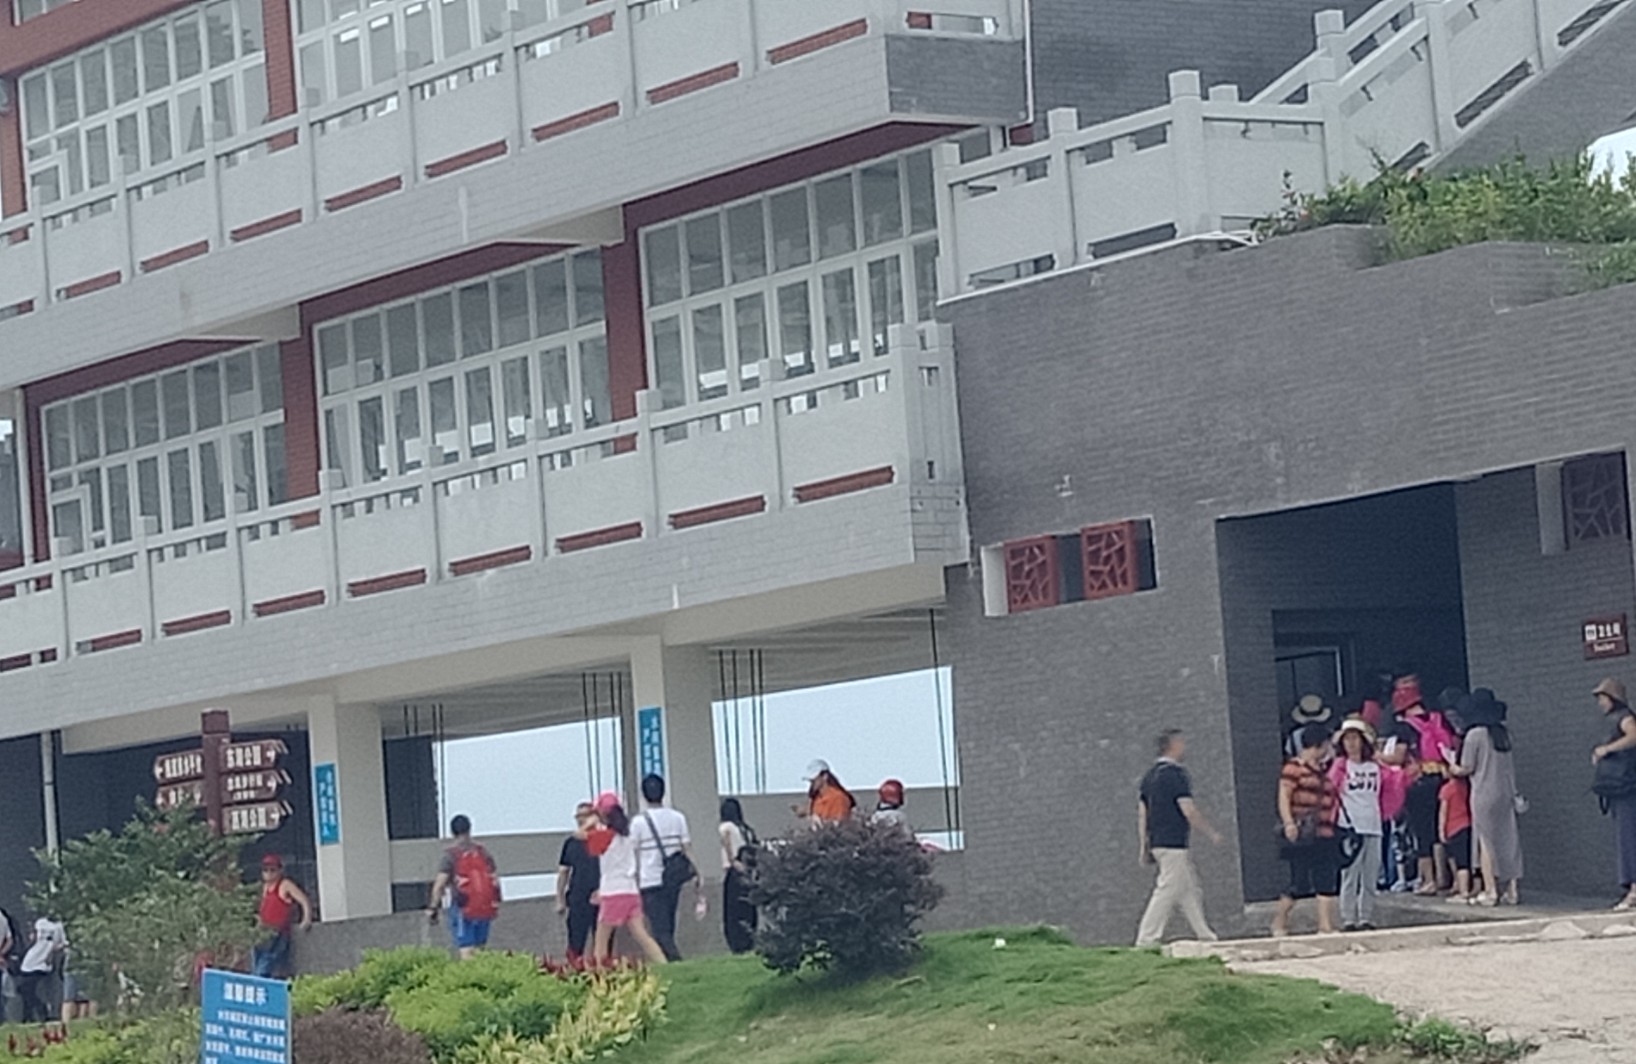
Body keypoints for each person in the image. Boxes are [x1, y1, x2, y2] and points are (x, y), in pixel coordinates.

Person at [1134, 729, 1222, 947]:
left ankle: (1204, 933)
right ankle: (1147, 938)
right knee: (1167, 888)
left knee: (1188, 889)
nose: (1184, 747)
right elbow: (1188, 809)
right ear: (1173, 745)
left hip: (1157, 841)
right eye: (1182, 743)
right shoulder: (1176, 775)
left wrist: (1144, 845)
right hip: (1173, 841)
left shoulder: (1149, 777)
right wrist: (1210, 832)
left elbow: (1143, 813)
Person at [1450, 688, 1523, 906]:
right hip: (1506, 793)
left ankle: (1490, 890)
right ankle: (1512, 890)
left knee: (1486, 841)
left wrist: (1452, 767)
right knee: (1509, 839)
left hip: (1483, 793)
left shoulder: (1475, 735)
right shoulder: (1504, 734)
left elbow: (1466, 768)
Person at [1328, 720, 1400, 931]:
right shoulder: (1341, 766)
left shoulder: (1375, 767)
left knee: (1370, 875)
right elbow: (1330, 790)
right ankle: (1348, 919)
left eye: (1355, 738)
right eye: (1347, 739)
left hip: (1373, 825)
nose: (1351, 743)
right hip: (1350, 827)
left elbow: (1393, 784)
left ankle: (1365, 917)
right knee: (1350, 874)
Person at [1273, 723, 1341, 937]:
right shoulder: (1294, 768)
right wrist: (1289, 823)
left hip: (1324, 831)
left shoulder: (1324, 770)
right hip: (1303, 831)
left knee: (1325, 878)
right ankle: (1280, 921)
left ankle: (1325, 925)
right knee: (1299, 881)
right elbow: (1284, 796)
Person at [1394, 674, 1459, 895]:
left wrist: (1377, 755)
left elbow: (1398, 756)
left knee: (1423, 833)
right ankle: (1445, 878)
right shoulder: (1438, 718)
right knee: (1442, 830)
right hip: (1444, 779)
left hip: (1419, 782)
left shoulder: (1404, 727)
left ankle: (1428, 880)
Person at [589, 792, 668, 966]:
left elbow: (580, 835)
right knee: (642, 935)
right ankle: (663, 962)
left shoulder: (603, 837)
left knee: (601, 941)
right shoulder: (628, 836)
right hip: (631, 891)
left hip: (612, 892)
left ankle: (599, 972)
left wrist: (591, 821)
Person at [630, 774, 698, 963]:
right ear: (663, 792)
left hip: (649, 880)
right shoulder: (678, 818)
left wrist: (633, 881)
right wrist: (696, 872)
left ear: (644, 795)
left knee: (660, 929)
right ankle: (671, 960)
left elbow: (633, 854)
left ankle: (675, 962)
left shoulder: (638, 822)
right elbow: (687, 847)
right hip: (673, 879)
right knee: (668, 924)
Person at [427, 815, 500, 960]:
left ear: (452, 832)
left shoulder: (451, 856)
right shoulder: (483, 853)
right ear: (469, 828)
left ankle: (470, 974)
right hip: (484, 907)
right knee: (480, 951)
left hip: (462, 908)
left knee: (466, 950)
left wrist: (433, 908)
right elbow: (495, 880)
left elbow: (440, 885)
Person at [1592, 678, 1636, 909]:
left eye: (1603, 697)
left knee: (1628, 836)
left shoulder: (1625, 717)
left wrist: (1607, 749)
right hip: (1620, 789)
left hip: (1628, 787)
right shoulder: (1614, 719)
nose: (1600, 702)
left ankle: (1634, 889)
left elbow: (1634, 735)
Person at [251, 855, 312, 978]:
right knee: (257, 962)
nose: (269, 873)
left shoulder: (285, 885)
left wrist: (306, 919)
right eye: (265, 870)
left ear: (279, 870)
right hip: (263, 933)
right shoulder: (265, 888)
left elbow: (304, 900)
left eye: (272, 870)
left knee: (265, 965)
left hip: (278, 933)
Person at [555, 802, 602, 963]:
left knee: (602, 941)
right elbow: (563, 871)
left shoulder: (602, 838)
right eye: (578, 817)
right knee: (576, 941)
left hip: (601, 894)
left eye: (585, 816)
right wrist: (560, 899)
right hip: (578, 896)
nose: (581, 820)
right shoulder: (571, 842)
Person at [718, 798, 758, 954]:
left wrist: (732, 860)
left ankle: (737, 943)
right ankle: (749, 939)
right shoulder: (746, 829)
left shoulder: (726, 827)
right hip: (748, 872)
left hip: (733, 871)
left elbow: (727, 844)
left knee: (732, 911)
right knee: (747, 908)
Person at [17, 918, 65, 1024]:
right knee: (24, 989)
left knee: (31, 988)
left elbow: (61, 943)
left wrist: (51, 955)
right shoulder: (40, 922)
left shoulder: (58, 926)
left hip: (43, 963)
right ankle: (28, 1015)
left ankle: (42, 1010)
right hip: (30, 960)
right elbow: (33, 938)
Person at [1439, 773, 1475, 902]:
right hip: (1467, 824)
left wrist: (1441, 830)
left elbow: (1443, 812)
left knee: (1460, 862)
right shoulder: (1466, 787)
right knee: (1467, 859)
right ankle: (1465, 886)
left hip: (1453, 828)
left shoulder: (1447, 789)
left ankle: (1463, 891)